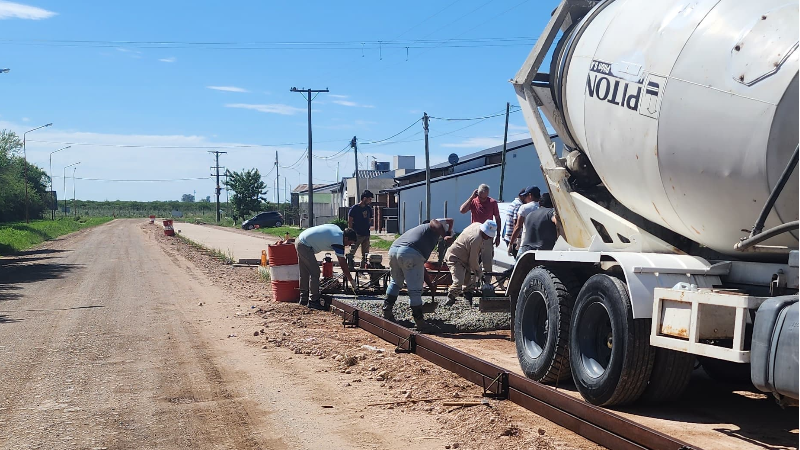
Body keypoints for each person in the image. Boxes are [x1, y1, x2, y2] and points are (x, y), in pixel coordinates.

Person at [383, 218, 454, 330]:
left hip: (393, 250)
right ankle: (419, 321)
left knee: (396, 282)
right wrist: (446, 234)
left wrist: (430, 285)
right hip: (409, 252)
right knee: (415, 290)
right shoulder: (430, 227)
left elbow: (420, 267)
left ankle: (387, 312)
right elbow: (435, 221)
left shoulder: (418, 234)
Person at [295, 224, 358, 310]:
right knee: (315, 272)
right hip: (305, 245)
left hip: (300, 239)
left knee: (304, 272)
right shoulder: (338, 240)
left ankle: (303, 299)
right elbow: (343, 264)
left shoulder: (337, 229)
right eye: (350, 243)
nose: (348, 245)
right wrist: (351, 280)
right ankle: (313, 301)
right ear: (346, 238)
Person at [444, 219, 497, 305]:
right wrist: (480, 273)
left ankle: (468, 299)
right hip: (455, 257)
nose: (488, 238)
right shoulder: (476, 239)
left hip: (464, 258)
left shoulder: (477, 224)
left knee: (469, 282)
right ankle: (450, 299)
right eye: (488, 236)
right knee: (458, 281)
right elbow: (473, 261)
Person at [459, 184, 501, 280]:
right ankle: (471, 284)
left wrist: (498, 235)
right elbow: (462, 210)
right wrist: (471, 197)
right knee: (473, 260)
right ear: (477, 194)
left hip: (487, 236)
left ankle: (487, 284)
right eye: (481, 198)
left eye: (485, 197)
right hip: (475, 235)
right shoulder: (473, 201)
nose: (483, 200)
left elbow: (498, 219)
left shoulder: (492, 202)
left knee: (487, 261)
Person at [517, 193, 558, 258]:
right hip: (541, 253)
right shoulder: (551, 212)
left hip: (525, 252)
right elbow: (556, 220)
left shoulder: (530, 215)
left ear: (539, 203)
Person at [504, 185, 540, 257]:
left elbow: (517, 226)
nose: (525, 198)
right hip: (540, 243)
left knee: (518, 264)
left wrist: (511, 244)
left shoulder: (524, 208)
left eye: (525, 196)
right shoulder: (543, 207)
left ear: (530, 195)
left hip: (526, 243)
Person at [347, 190, 374, 267]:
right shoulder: (354, 208)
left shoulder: (368, 209)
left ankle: (362, 269)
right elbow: (350, 220)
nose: (370, 201)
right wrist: (350, 232)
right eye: (369, 199)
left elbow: (369, 219)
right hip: (357, 234)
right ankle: (349, 267)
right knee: (352, 252)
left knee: (365, 255)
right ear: (365, 198)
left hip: (366, 234)